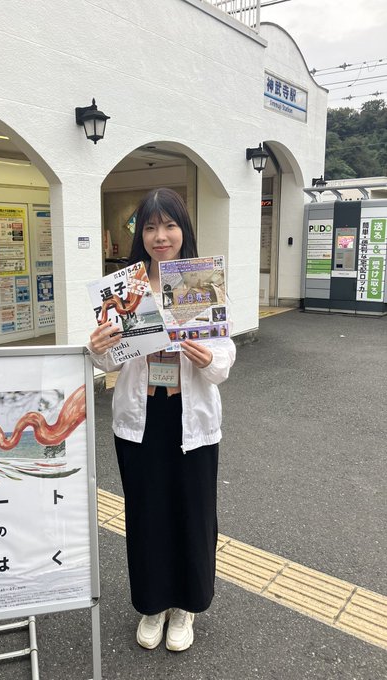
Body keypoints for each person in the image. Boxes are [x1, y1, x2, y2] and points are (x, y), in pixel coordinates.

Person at [88, 188, 236, 653]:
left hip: (191, 418)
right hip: (141, 419)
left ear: (183, 230)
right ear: (141, 235)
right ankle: (152, 604)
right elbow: (109, 361)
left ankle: (185, 606)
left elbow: (224, 357)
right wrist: (97, 349)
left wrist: (209, 356)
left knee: (194, 512)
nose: (160, 236)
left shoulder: (198, 282)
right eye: (150, 227)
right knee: (146, 512)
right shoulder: (126, 290)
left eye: (169, 225)